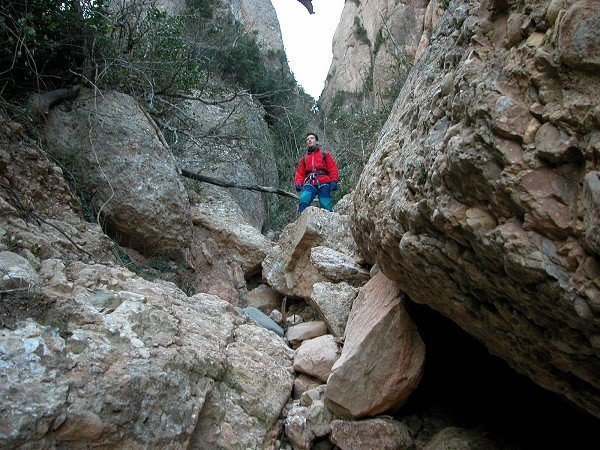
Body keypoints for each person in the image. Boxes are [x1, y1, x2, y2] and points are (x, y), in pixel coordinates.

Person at [294, 132, 339, 213]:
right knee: (303, 199)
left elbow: (333, 169)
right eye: (307, 139)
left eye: (311, 138)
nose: (309, 140)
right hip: (310, 182)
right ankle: (304, 222)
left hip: (324, 181)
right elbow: (300, 173)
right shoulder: (304, 160)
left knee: (326, 205)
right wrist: (298, 183)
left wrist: (334, 181)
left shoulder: (325, 155)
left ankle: (328, 223)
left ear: (317, 142)